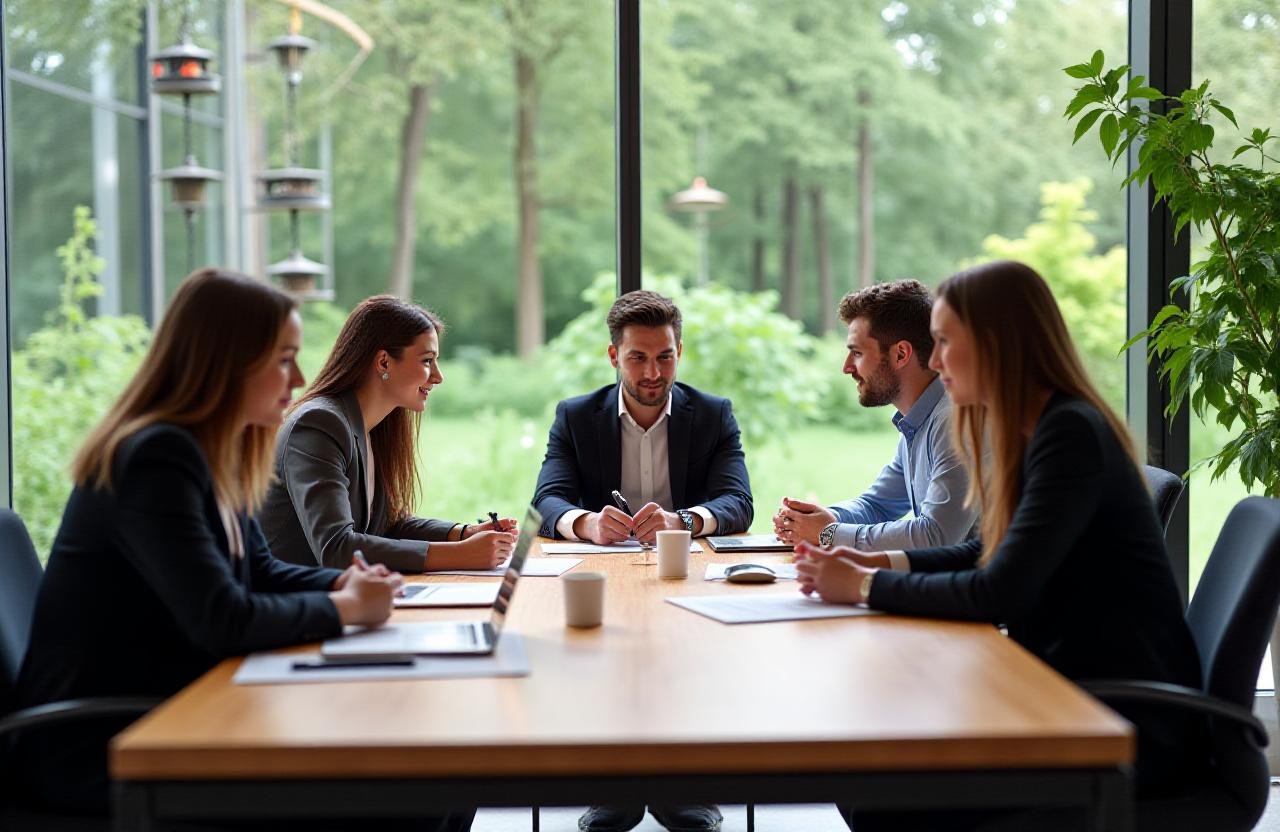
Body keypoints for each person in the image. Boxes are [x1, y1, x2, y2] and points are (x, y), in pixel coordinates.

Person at [11, 270, 471, 829]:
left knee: (435, 778)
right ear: (224, 361)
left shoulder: (209, 452)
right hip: (109, 745)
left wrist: (343, 584)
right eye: (283, 358)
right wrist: (345, 607)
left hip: (183, 709)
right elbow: (222, 618)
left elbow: (260, 569)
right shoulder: (157, 459)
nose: (299, 376)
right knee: (416, 794)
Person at [796, 261, 1205, 831]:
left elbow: (999, 590)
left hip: (1119, 725)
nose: (934, 361)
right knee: (871, 775)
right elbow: (984, 550)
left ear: (994, 344)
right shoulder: (1041, 428)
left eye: (943, 342)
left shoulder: (1069, 434)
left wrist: (865, 586)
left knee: (879, 794)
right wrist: (876, 560)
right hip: (1066, 696)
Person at [531, 289, 751, 832]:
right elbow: (548, 497)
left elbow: (738, 502)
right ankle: (615, 790)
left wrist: (686, 519)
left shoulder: (714, 413)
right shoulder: (577, 416)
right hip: (606, 574)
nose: (653, 372)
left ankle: (685, 788)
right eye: (638, 357)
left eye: (665, 356)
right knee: (602, 658)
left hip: (686, 574)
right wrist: (586, 524)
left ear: (679, 351)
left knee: (690, 659)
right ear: (614, 357)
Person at [259, 295, 517, 573]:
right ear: (383, 362)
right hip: (296, 603)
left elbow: (387, 526)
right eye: (427, 360)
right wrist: (461, 555)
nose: (438, 376)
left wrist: (463, 533)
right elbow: (337, 548)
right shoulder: (318, 424)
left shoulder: (373, 426)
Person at [772, 280, 976, 553]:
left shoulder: (954, 421)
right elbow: (877, 506)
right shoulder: (917, 423)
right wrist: (814, 520)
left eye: (856, 352)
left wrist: (830, 533)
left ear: (901, 354)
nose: (846, 368)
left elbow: (935, 536)